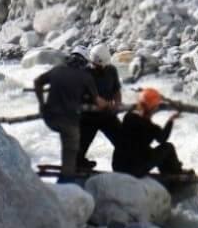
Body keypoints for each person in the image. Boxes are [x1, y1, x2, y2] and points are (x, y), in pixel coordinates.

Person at [34, 47, 102, 183]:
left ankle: (70, 173)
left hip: (50, 118)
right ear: (84, 63)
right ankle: (66, 184)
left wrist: (41, 104)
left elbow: (37, 82)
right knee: (70, 153)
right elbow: (98, 102)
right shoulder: (86, 77)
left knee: (67, 137)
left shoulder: (57, 70)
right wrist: (110, 104)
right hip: (69, 122)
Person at [112, 88, 186, 178]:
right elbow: (162, 139)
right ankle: (175, 173)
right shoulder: (151, 128)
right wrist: (171, 120)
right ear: (154, 109)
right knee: (168, 147)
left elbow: (139, 109)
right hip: (135, 170)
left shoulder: (128, 117)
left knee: (142, 148)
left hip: (118, 166)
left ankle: (170, 172)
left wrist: (157, 97)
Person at [78, 44, 123, 172]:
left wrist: (118, 103)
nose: (94, 66)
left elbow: (116, 90)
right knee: (79, 148)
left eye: (97, 65)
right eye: (93, 64)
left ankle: (121, 166)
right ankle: (79, 165)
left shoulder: (111, 70)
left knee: (123, 142)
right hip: (88, 117)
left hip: (107, 115)